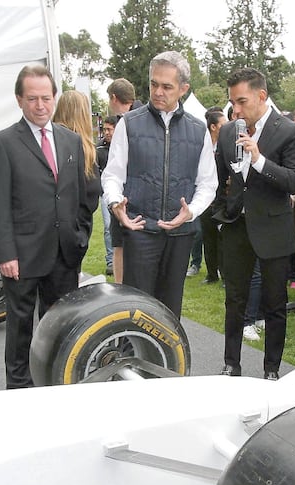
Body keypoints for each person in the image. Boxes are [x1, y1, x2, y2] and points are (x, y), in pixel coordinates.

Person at [0, 64, 95, 389]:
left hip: (64, 253)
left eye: (45, 98)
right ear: (20, 99)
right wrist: (6, 253)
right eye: (32, 98)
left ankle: (54, 385)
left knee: (60, 326)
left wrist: (79, 238)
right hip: (22, 257)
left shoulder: (71, 141)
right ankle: (18, 390)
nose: (40, 105)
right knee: (20, 330)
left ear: (54, 98)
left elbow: (78, 196)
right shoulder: (4, 143)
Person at [101, 52, 217, 319]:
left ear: (184, 89)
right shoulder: (129, 124)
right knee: (134, 308)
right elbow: (112, 174)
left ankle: (165, 361)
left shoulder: (197, 130)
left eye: (167, 86)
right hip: (139, 228)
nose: (158, 92)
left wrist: (192, 211)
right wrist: (115, 203)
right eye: (154, 84)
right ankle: (131, 358)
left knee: (169, 311)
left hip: (179, 235)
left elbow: (208, 183)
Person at [213, 67, 295, 380]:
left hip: (273, 229)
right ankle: (231, 365)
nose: (236, 110)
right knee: (234, 300)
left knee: (274, 303)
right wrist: (221, 214)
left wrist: (259, 160)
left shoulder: (289, 131)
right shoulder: (227, 132)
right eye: (232, 103)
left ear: (262, 96)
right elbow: (219, 177)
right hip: (236, 227)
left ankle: (271, 369)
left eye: (241, 102)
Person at [199, 109, 227, 284]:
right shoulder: (203, 147)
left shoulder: (228, 145)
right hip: (206, 201)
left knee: (224, 239)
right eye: (223, 125)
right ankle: (211, 274)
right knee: (208, 239)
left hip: (222, 199)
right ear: (214, 127)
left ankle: (225, 274)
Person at [97, 115, 119, 276]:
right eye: (104, 129)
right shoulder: (99, 149)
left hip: (122, 192)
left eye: (109, 129)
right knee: (107, 226)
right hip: (105, 193)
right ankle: (111, 260)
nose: (106, 132)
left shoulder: (123, 147)